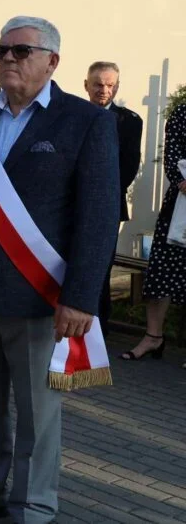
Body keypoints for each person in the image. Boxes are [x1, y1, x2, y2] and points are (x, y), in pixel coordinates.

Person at [0, 16, 119, 523]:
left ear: (52, 61)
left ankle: (32, 506)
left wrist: (81, 296)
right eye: (1, 50)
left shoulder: (86, 121)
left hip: (41, 295)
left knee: (38, 412)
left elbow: (97, 216)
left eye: (21, 51)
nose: (8, 58)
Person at [120, 102, 185, 365]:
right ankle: (153, 337)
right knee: (161, 271)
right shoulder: (182, 113)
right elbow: (173, 156)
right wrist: (181, 179)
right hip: (180, 204)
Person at [83, 61, 142, 337]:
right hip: (70, 206)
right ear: (86, 85)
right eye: (98, 84)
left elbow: (128, 167)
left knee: (100, 269)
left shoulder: (129, 121)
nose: (103, 90)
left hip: (107, 208)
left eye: (109, 85)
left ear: (116, 87)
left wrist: (98, 197)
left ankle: (97, 332)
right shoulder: (71, 116)